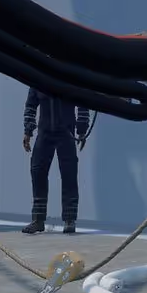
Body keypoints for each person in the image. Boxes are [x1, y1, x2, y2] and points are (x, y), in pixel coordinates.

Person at [23, 88, 94, 234]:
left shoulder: (71, 74)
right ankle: (38, 219)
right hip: (45, 132)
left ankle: (70, 220)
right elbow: (31, 104)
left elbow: (83, 103)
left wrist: (82, 129)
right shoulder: (37, 76)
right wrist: (28, 131)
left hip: (66, 132)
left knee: (69, 174)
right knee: (37, 172)